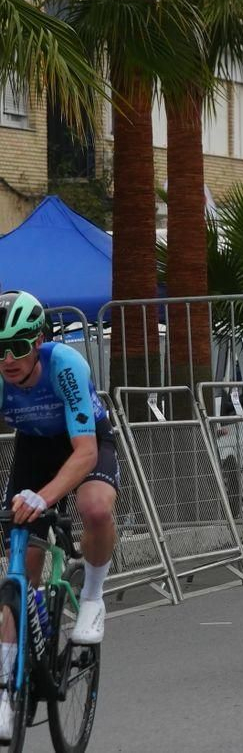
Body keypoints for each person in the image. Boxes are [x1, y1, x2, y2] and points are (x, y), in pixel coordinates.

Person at [0, 290, 119, 695]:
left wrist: (44, 498)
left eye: (18, 347)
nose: (8, 360)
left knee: (96, 508)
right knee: (22, 566)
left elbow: (85, 453)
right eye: (0, 350)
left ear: (38, 340)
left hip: (83, 442)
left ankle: (92, 596)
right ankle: (5, 691)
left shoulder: (65, 364)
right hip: (34, 447)